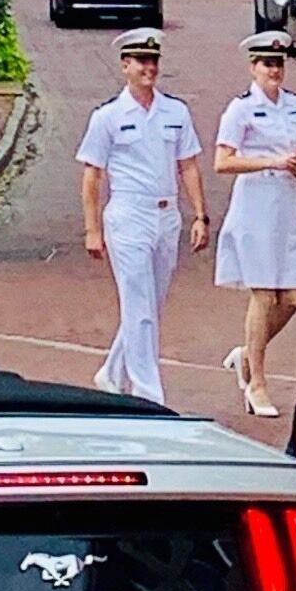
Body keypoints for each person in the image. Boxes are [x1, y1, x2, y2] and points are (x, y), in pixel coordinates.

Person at [76, 31, 209, 404]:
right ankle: (149, 394)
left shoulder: (175, 112)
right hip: (128, 214)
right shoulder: (108, 117)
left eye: (153, 62)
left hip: (167, 216)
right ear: (125, 66)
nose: (149, 68)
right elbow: (92, 176)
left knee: (151, 304)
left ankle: (111, 371)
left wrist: (200, 215)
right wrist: (92, 230)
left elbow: (189, 166)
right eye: (141, 62)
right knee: (139, 306)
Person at [211, 35, 296, 420]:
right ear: (253, 67)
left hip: (287, 209)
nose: (274, 70)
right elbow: (223, 162)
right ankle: (256, 382)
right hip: (255, 207)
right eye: (266, 63)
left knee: (292, 298)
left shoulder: (295, 106)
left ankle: (246, 353)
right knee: (264, 295)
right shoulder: (241, 110)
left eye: (278, 63)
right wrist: (270, 162)